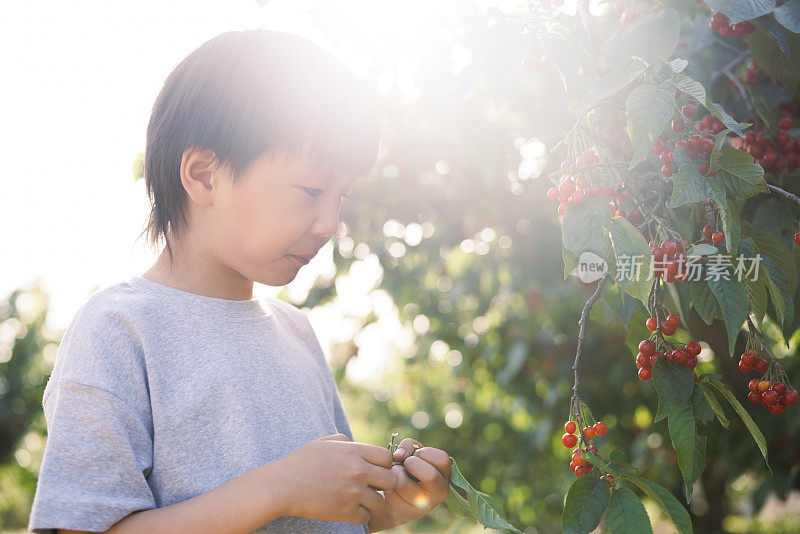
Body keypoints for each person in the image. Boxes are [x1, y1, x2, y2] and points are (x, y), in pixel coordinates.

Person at [27, 29, 451, 534]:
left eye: (342, 196)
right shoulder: (120, 329)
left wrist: (394, 507)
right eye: (312, 189)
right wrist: (276, 488)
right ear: (204, 175)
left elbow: (326, 513)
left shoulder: (296, 332)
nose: (329, 223)